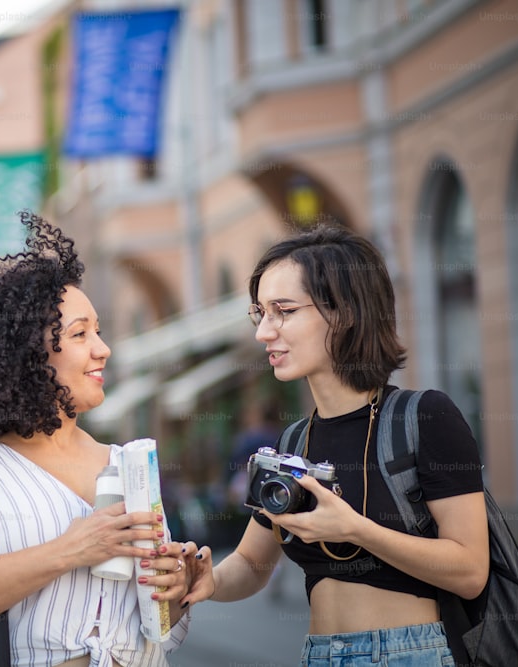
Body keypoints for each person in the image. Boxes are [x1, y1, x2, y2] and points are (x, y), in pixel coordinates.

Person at [0, 211, 211, 667]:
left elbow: (149, 624)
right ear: (26, 355)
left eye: (98, 330)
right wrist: (70, 550)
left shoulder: (126, 463)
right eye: (80, 334)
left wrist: (176, 589)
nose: (102, 348)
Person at [186, 224, 489, 666]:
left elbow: (470, 571)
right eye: (260, 313)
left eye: (283, 311)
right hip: (319, 655)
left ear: (343, 312)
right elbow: (253, 562)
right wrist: (207, 581)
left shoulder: (425, 417)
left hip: (410, 654)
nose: (263, 333)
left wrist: (353, 528)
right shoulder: (293, 440)